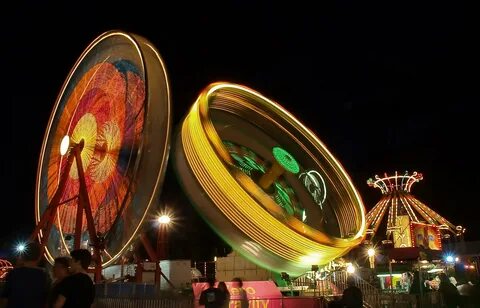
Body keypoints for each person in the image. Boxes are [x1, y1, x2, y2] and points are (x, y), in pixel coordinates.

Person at [0, 241, 51, 308]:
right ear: (38, 257)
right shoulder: (44, 276)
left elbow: (5, 297)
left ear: (23, 256)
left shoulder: (14, 273)